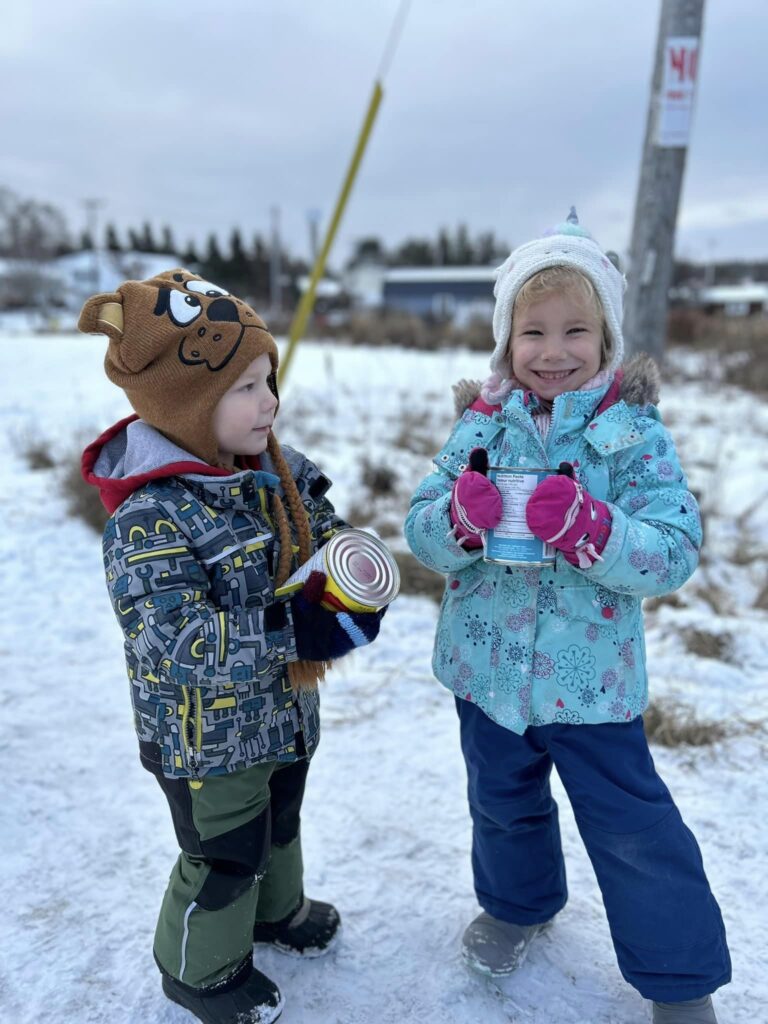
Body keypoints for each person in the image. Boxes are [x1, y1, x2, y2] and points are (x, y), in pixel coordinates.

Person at [404, 211, 730, 1024]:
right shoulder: (479, 426)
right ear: (506, 341)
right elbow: (420, 531)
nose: (554, 351)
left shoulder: (632, 436)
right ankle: (518, 906)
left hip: (592, 687)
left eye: (576, 330)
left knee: (633, 833)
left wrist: (596, 530)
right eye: (533, 331)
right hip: (484, 671)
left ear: (608, 338)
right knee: (502, 806)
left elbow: (674, 548)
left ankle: (680, 980)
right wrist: (460, 523)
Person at [80, 269, 386, 1024]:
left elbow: (320, 525)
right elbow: (174, 639)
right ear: (187, 404)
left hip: (280, 714)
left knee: (281, 818)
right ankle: (200, 970)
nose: (270, 403)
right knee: (225, 853)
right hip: (203, 739)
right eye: (246, 387)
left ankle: (276, 914)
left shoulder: (271, 474)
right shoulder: (150, 519)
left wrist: (346, 569)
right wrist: (295, 629)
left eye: (269, 380)